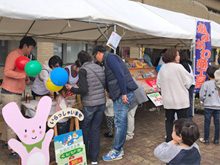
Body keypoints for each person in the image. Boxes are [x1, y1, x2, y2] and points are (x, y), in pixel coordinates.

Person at [93, 46, 138, 161]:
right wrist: (110, 92)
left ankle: (117, 150)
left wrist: (124, 93)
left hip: (123, 94)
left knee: (119, 123)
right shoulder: (109, 59)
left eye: (95, 57)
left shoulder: (110, 58)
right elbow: (113, 78)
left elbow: (120, 75)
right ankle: (117, 148)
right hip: (119, 94)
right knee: (119, 122)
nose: (96, 59)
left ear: (98, 53)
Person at [65, 51, 106, 165]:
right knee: (95, 130)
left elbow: (83, 90)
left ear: (79, 60)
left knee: (85, 129)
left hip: (89, 104)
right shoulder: (98, 67)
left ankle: (83, 155)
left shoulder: (83, 70)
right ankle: (94, 159)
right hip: (101, 103)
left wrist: (71, 88)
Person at [1, 36, 36, 159]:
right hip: (10, 92)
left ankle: (6, 141)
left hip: (14, 92)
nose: (32, 51)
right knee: (13, 121)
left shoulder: (22, 57)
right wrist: (22, 76)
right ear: (26, 45)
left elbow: (20, 71)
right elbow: (7, 72)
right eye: (31, 48)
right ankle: (13, 149)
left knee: (8, 119)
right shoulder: (14, 55)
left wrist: (25, 77)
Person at [157, 48, 193, 142]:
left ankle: (169, 138)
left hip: (168, 100)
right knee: (182, 122)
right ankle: (181, 138)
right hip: (181, 100)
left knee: (169, 120)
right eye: (177, 55)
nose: (179, 57)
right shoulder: (179, 67)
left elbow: (158, 84)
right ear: (173, 56)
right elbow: (188, 82)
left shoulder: (163, 68)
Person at [199, 66, 220, 144]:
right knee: (217, 123)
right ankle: (216, 139)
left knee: (207, 123)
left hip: (208, 106)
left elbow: (202, 95)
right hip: (218, 106)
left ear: (207, 74)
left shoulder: (205, 84)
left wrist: (203, 101)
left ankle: (206, 139)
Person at [179, 51, 195, 119]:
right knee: (189, 101)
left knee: (188, 101)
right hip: (191, 84)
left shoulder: (184, 64)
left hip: (189, 85)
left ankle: (188, 117)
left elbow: (185, 76)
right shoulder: (187, 63)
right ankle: (189, 116)